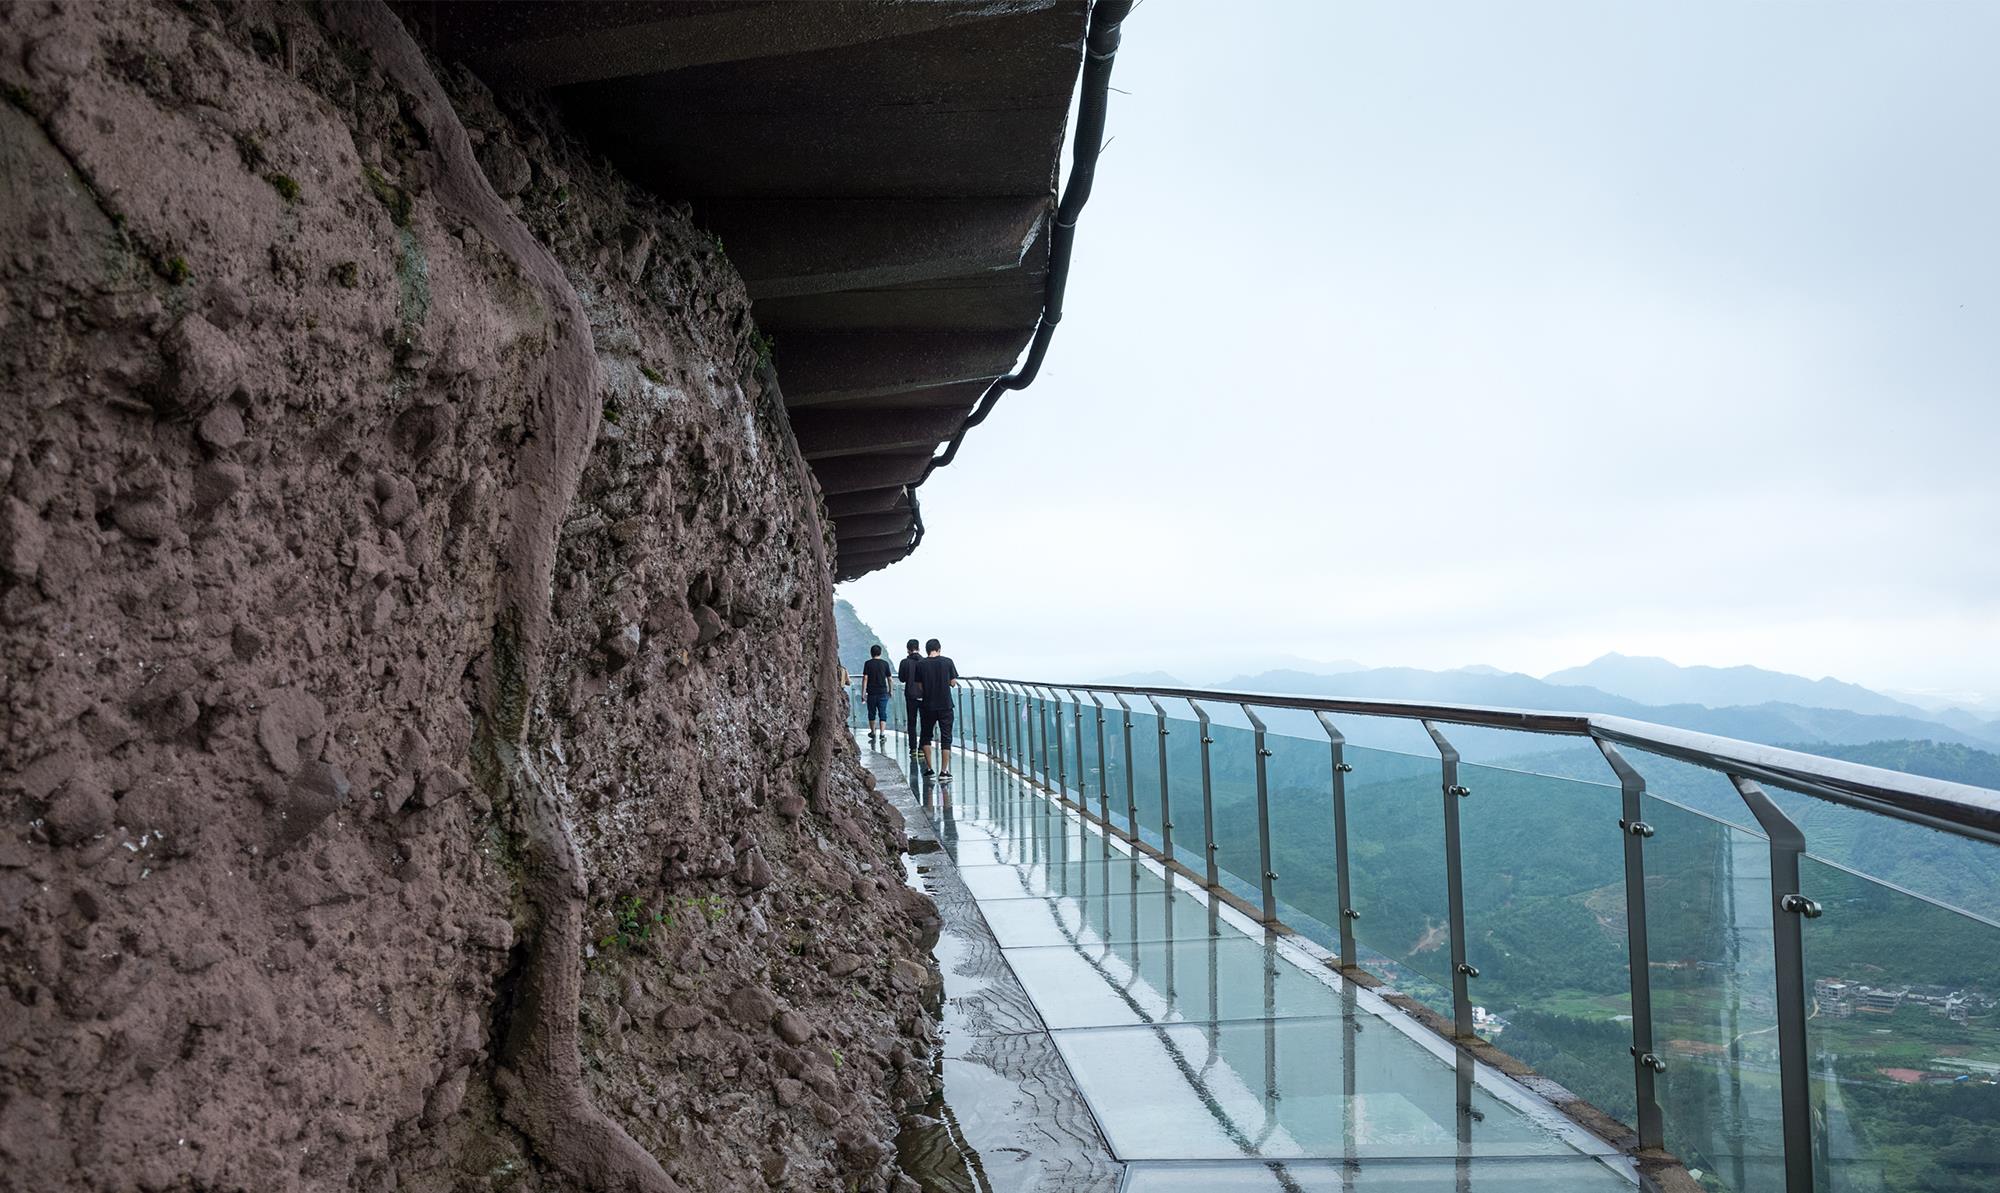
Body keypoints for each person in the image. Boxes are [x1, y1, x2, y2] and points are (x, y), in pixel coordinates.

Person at [915, 638, 960, 778]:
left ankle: (929, 769)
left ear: (927, 650)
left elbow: (919, 686)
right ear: (939, 649)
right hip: (945, 705)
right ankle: (944, 771)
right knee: (946, 737)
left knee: (926, 736)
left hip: (928, 705)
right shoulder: (947, 662)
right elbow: (953, 683)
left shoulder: (920, 664)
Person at [896, 639, 924, 756]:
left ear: (908, 649)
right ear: (919, 648)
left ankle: (913, 748)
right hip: (924, 695)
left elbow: (902, 678)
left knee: (911, 722)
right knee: (924, 722)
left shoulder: (904, 662)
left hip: (910, 694)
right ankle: (922, 748)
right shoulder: (924, 661)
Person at [861, 644, 893, 746]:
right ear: (880, 652)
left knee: (872, 713)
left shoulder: (868, 664)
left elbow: (865, 678)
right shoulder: (885, 664)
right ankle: (882, 734)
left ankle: (873, 732)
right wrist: (890, 690)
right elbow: (890, 679)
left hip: (871, 693)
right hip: (883, 692)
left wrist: (863, 692)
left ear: (871, 653)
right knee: (882, 713)